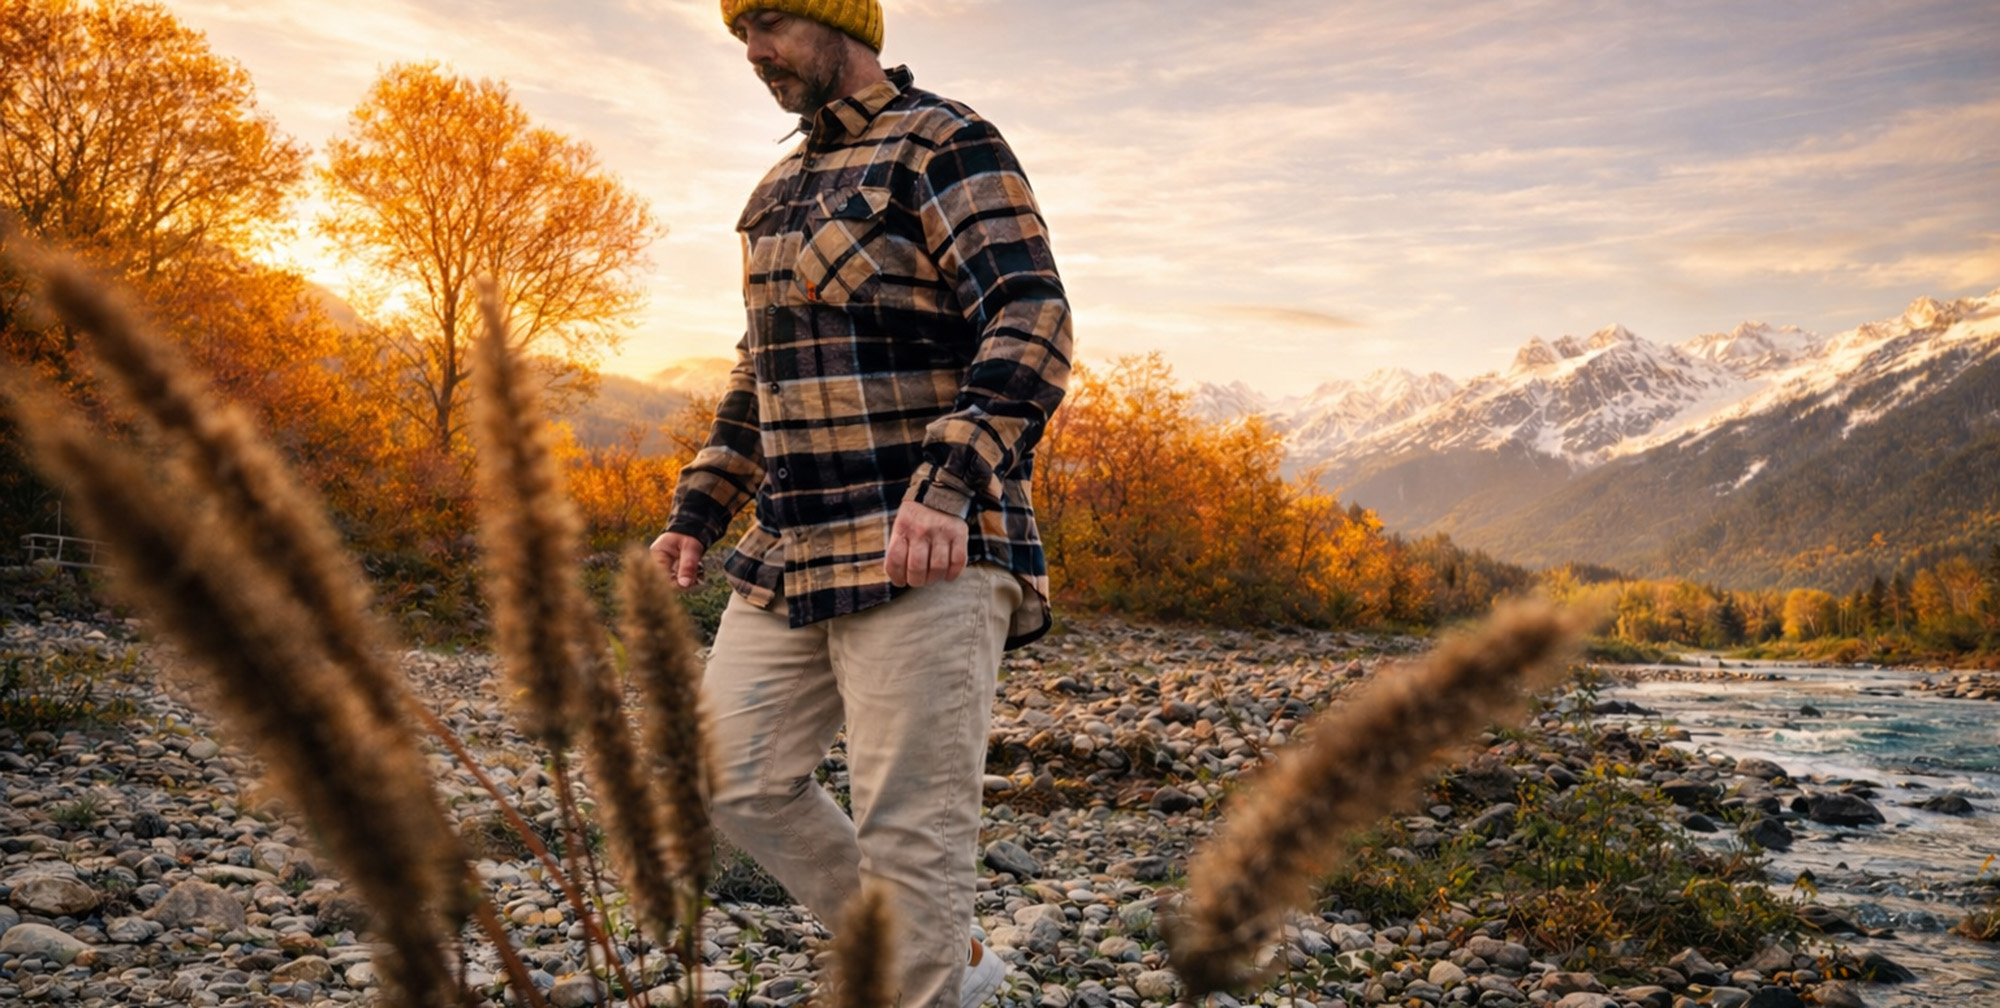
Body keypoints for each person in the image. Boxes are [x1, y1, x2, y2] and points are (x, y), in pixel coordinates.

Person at [650, 2, 1072, 1005]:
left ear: (841, 22)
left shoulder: (944, 142)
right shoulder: (774, 189)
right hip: (791, 548)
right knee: (730, 779)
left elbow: (1031, 315)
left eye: (770, 25)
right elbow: (762, 373)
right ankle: (947, 964)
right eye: (740, 35)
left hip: (925, 544)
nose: (753, 53)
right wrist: (698, 509)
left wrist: (946, 486)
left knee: (909, 841)